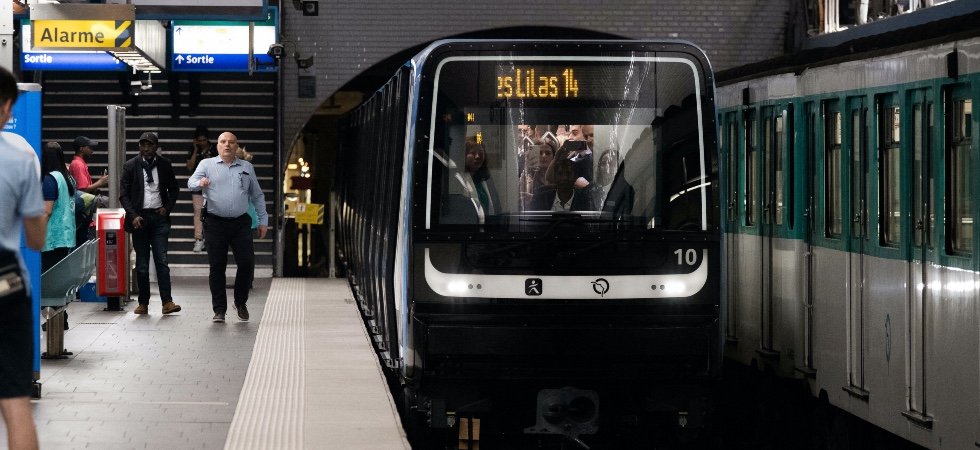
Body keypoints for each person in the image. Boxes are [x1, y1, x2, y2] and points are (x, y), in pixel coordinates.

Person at [0, 65, 45, 450]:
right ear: (7, 107)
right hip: (5, 281)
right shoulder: (21, 155)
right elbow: (36, 238)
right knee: (14, 398)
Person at [188, 131, 268, 323]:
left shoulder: (246, 167)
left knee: (247, 262)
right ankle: (219, 309)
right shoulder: (206, 164)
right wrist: (200, 182)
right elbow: (191, 183)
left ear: (236, 146)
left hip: (240, 222)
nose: (227, 145)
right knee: (217, 266)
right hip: (215, 222)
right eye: (223, 142)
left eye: (231, 142)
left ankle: (240, 302)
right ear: (217, 146)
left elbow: (257, 195)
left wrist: (263, 220)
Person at [120, 132, 182, 316]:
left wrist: (167, 208)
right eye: (143, 145)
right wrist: (133, 216)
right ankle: (143, 303)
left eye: (150, 145)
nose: (146, 148)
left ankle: (167, 302)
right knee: (142, 264)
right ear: (139, 147)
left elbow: (175, 189)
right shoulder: (130, 166)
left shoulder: (165, 165)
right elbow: (123, 194)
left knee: (161, 260)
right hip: (139, 220)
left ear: (156, 147)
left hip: (159, 218)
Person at [40, 142, 76, 272]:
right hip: (66, 236)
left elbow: (47, 211)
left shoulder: (50, 179)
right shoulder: (68, 178)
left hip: (52, 238)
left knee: (49, 277)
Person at [186, 126, 215, 252]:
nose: (202, 143)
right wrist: (195, 150)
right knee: (198, 212)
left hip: (213, 186)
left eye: (204, 140)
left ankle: (212, 239)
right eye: (199, 140)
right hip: (198, 186)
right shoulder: (193, 149)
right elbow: (189, 166)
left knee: (212, 213)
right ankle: (199, 239)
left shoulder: (214, 149)